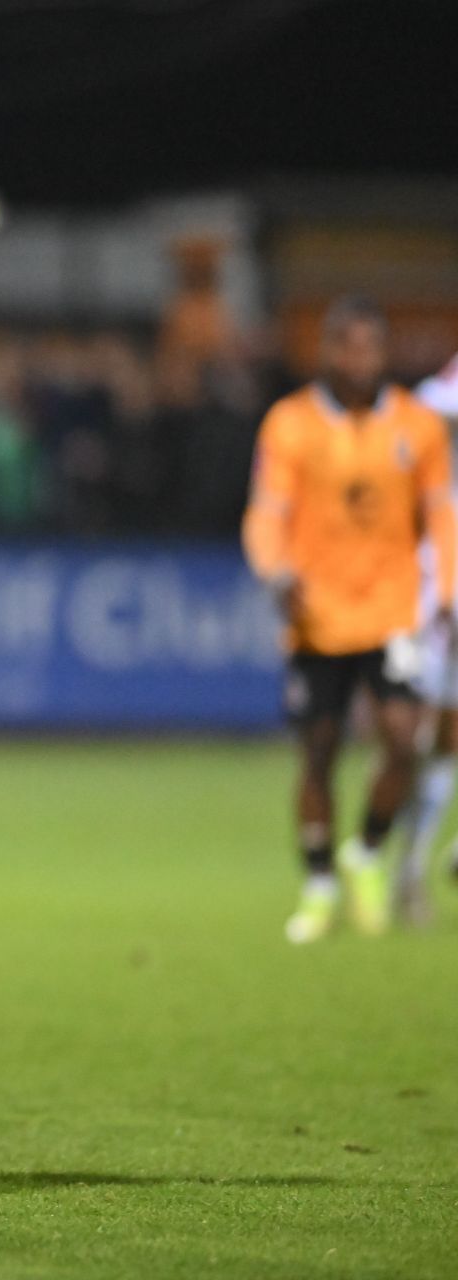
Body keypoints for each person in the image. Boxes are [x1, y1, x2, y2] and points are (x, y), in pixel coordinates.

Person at [242, 296, 454, 943]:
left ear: (383, 353)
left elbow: (442, 514)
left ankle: (365, 851)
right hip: (317, 614)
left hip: (392, 608)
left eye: (368, 347)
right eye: (345, 346)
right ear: (327, 350)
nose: (356, 359)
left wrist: (446, 588)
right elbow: (267, 511)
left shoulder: (418, 427)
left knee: (403, 735)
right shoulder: (290, 424)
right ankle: (319, 886)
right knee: (320, 752)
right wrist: (275, 570)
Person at [392, 351, 458, 923]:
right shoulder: (420, 476)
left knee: (446, 744)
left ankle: (410, 870)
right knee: (412, 741)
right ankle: (396, 865)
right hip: (423, 612)